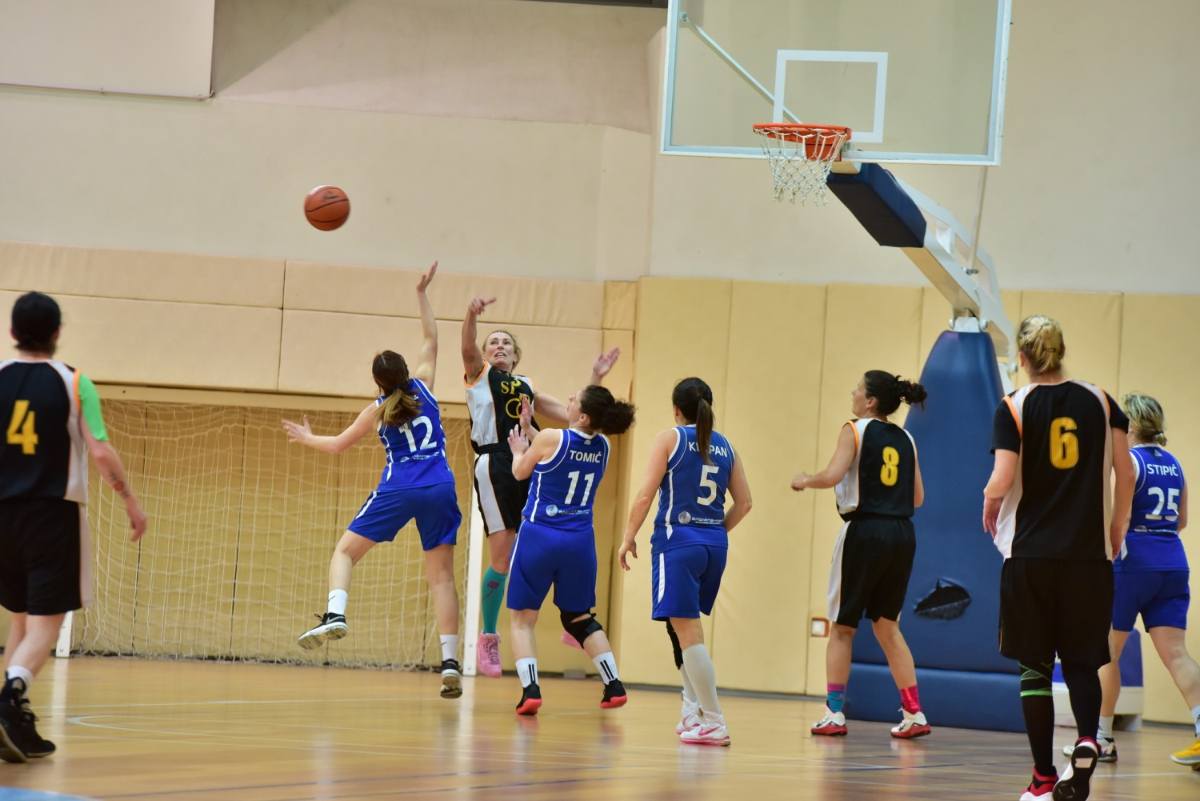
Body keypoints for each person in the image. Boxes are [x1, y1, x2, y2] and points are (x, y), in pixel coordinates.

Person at [285, 263, 465, 700]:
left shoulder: (375, 411)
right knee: (442, 578)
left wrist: (307, 437)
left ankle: (335, 614)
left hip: (399, 488)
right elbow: (432, 339)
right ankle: (450, 664)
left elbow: (336, 446)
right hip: (440, 487)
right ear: (406, 372)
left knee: (345, 552)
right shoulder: (425, 387)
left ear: (377, 382)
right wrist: (421, 292)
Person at [983, 315, 1134, 801]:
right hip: (1088, 557)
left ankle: (1043, 777)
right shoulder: (1101, 401)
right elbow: (1126, 472)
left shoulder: (1014, 405)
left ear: (1021, 358)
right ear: (1062, 351)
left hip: (1030, 556)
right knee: (1083, 663)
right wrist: (1118, 524)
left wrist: (988, 499)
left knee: (1034, 668)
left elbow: (1003, 477)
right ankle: (1088, 737)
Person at [0, 291, 148, 764]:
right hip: (51, 515)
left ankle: (14, 721)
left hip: (2, 515)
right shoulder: (74, 381)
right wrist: (129, 499)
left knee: (20, 621)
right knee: (48, 622)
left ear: (12, 332)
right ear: (58, 333)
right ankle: (9, 698)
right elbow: (99, 451)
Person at [461, 296, 619, 677]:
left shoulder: (526, 386)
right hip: (495, 463)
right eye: (493, 342)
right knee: (502, 555)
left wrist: (595, 377)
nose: (500, 346)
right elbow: (466, 348)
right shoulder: (479, 375)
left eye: (507, 343)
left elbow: (574, 415)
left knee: (544, 540)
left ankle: (574, 617)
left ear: (516, 356)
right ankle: (488, 635)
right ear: (485, 354)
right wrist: (471, 315)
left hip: (529, 458)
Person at [1060, 393, 1200, 768]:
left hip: (1131, 561)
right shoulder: (1175, 464)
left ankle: (1101, 738)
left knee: (1106, 652)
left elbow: (1117, 519)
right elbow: (1182, 521)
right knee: (1177, 655)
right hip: (1173, 562)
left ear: (1133, 425)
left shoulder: (1129, 462)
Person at [792, 371, 931, 741]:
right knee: (888, 627)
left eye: (858, 389)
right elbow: (918, 498)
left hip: (865, 530)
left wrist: (806, 479)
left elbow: (832, 475)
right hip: (902, 534)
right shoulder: (906, 438)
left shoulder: (854, 430)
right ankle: (914, 713)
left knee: (842, 627)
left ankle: (834, 713)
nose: (852, 393)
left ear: (870, 401)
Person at [617, 377, 752, 747]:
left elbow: (645, 497)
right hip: (714, 545)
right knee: (688, 631)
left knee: (688, 634)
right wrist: (714, 531)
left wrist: (628, 537)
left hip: (678, 541)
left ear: (676, 409)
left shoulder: (670, 438)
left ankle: (714, 721)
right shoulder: (727, 446)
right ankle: (692, 711)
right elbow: (744, 503)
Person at [504, 384, 634, 715]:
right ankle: (614, 684)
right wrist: (531, 429)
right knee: (580, 618)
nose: (570, 400)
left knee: (522, 620)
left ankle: (531, 691)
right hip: (579, 541)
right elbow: (560, 452)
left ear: (583, 416)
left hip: (539, 535)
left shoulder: (551, 438)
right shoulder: (604, 446)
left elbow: (521, 471)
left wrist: (519, 448)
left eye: (575, 399)